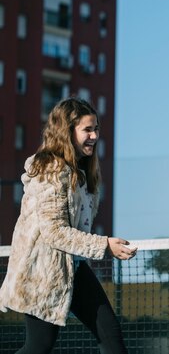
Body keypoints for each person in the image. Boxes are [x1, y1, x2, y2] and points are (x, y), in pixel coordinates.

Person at [0, 98, 137, 354]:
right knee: (38, 347)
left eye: (96, 128)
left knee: (111, 337)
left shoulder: (83, 172)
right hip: (43, 271)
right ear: (67, 131)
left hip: (73, 267)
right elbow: (54, 231)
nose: (94, 136)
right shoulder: (49, 170)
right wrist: (104, 245)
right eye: (87, 129)